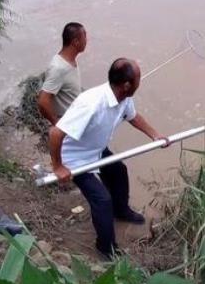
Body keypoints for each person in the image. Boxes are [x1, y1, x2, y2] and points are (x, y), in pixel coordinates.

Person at [48, 58, 169, 259]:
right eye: (138, 79)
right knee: (102, 200)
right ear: (127, 84)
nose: (140, 83)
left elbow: (133, 117)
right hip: (74, 159)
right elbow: (55, 134)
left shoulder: (124, 97)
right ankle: (106, 247)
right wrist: (58, 167)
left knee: (119, 171)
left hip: (96, 150)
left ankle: (121, 211)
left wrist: (155, 135)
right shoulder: (91, 103)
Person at [37, 22, 88, 125]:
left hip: (76, 120)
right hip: (68, 125)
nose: (87, 40)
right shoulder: (59, 68)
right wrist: (57, 123)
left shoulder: (70, 61)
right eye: (85, 36)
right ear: (75, 42)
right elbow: (43, 101)